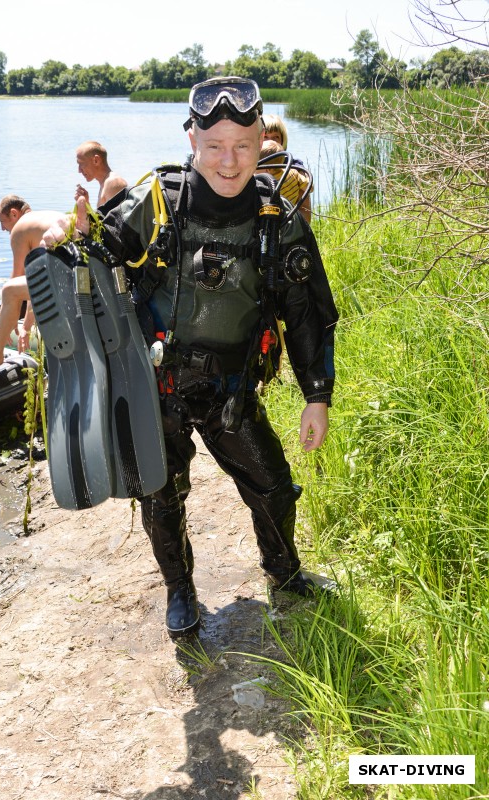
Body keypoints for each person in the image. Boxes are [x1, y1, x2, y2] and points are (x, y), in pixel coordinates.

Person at [42, 76, 338, 640]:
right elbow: (98, 256)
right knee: (161, 491)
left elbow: (305, 314)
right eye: (215, 146)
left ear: (260, 142)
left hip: (231, 391)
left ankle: (284, 574)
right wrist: (72, 235)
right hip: (158, 386)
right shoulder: (157, 201)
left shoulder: (279, 220)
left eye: (243, 145)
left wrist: (316, 395)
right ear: (192, 140)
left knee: (273, 485)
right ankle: (180, 591)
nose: (229, 161)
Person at [0, 196, 66, 371]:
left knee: (9, 290)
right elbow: (36, 280)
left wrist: (9, 322)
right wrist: (26, 325)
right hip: (76, 273)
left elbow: (17, 280)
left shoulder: (20, 229)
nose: (2, 228)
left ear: (14, 213)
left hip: (67, 277)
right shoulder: (42, 218)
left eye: (2, 222)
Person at [258, 138, 313, 224]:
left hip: (272, 217)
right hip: (290, 216)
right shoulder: (293, 172)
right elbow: (309, 188)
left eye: (257, 164)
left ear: (267, 170)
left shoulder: (264, 181)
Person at [74, 140, 128, 208]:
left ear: (96, 160)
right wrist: (86, 204)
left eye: (81, 164)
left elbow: (119, 218)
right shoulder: (105, 183)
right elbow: (102, 218)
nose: (79, 170)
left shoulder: (114, 183)